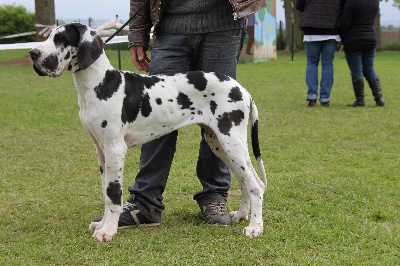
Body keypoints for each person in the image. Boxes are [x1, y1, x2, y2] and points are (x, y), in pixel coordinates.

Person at [94, 0, 266, 227]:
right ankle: (145, 202)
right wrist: (137, 34)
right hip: (169, 25)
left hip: (223, 23)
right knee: (154, 114)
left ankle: (214, 195)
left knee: (221, 129)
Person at [296, 0, 344, 107]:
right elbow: (343, 6)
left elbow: (299, 6)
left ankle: (312, 96)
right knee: (327, 64)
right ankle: (325, 98)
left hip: (311, 28)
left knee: (312, 63)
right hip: (331, 28)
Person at [340, 0, 385, 107]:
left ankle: (360, 100)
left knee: (357, 71)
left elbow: (345, 22)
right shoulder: (374, 2)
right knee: (369, 69)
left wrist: (343, 37)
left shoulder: (351, 2)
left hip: (353, 39)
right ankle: (379, 98)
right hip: (370, 38)